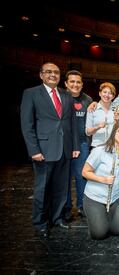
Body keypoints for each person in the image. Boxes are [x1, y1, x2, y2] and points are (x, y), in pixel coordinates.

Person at [20, 62, 80, 237]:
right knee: (42, 188)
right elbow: (27, 124)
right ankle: (40, 222)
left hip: (65, 149)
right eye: (48, 72)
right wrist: (34, 150)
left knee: (61, 188)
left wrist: (75, 146)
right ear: (41, 75)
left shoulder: (66, 95)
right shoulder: (31, 94)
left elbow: (72, 123)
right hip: (43, 150)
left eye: (56, 72)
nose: (53, 75)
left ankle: (57, 218)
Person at [81, 121, 119, 240]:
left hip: (115, 198)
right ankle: (97, 219)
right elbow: (85, 172)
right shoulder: (100, 150)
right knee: (100, 234)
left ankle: (109, 217)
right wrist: (103, 179)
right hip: (94, 197)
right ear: (114, 132)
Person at [63, 70, 93, 221]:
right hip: (63, 144)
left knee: (82, 177)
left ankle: (82, 206)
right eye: (72, 82)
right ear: (66, 84)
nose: (75, 84)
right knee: (65, 179)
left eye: (78, 82)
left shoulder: (88, 100)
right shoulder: (61, 98)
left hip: (82, 144)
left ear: (82, 84)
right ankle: (67, 208)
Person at [85, 82, 117, 148]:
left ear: (113, 96)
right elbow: (88, 132)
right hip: (97, 146)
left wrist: (117, 121)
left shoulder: (117, 108)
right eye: (104, 92)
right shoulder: (92, 108)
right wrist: (98, 127)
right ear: (100, 93)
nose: (107, 95)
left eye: (110, 93)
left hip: (113, 146)